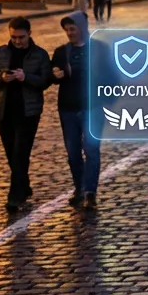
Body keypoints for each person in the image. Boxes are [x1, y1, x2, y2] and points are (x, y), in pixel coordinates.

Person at [0, 17, 52, 213]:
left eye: (21, 37)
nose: (17, 41)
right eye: (13, 37)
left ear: (29, 34)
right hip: (3, 111)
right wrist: (1, 78)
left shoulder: (39, 55)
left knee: (20, 152)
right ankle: (24, 185)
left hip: (28, 112)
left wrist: (26, 77)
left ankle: (14, 197)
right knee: (11, 154)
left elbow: (46, 80)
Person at [51, 12, 97, 210]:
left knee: (91, 150)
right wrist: (55, 75)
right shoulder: (61, 52)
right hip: (68, 108)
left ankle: (90, 192)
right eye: (67, 29)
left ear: (82, 28)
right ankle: (79, 187)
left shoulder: (97, 50)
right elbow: (51, 76)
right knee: (73, 154)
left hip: (92, 108)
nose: (70, 33)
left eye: (73, 29)